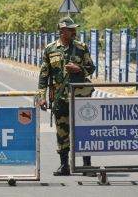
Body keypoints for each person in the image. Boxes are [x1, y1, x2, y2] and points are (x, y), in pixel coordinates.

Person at [38, 17, 96, 176]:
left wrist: (79, 69)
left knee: (83, 130)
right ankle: (64, 165)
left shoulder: (81, 48)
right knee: (62, 132)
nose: (74, 32)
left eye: (74, 29)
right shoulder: (50, 49)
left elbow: (91, 68)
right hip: (60, 98)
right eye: (70, 30)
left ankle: (86, 165)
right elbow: (44, 75)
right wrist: (41, 96)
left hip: (80, 98)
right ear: (62, 31)